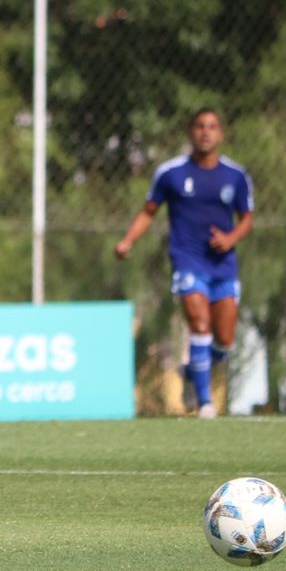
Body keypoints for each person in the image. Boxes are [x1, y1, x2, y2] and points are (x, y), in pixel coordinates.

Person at [114, 108, 254, 418]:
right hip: (187, 260)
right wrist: (128, 241)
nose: (205, 132)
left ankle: (192, 374)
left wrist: (231, 239)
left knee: (225, 340)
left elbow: (247, 219)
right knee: (199, 325)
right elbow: (148, 211)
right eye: (200, 126)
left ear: (221, 134)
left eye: (212, 127)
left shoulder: (235, 175)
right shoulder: (171, 173)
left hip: (223, 266)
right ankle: (204, 402)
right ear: (191, 132)